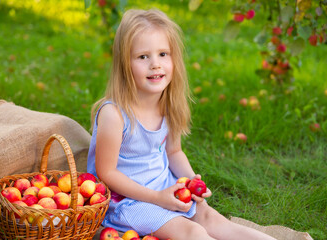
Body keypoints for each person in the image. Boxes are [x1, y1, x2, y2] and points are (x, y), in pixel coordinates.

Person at [87, 8, 276, 240]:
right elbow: (107, 173)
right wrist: (158, 198)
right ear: (124, 64)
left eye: (163, 54)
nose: (155, 64)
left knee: (210, 218)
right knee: (192, 231)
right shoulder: (114, 114)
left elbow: (174, 152)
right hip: (127, 202)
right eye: (143, 56)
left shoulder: (168, 105)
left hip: (164, 187)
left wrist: (193, 179)